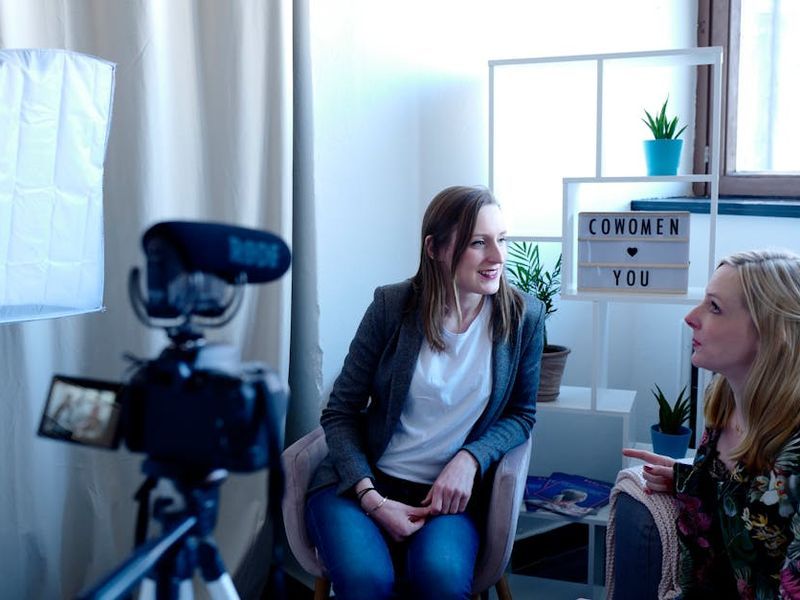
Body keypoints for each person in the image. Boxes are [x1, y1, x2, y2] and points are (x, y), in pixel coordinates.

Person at [305, 185, 545, 599]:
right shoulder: (392, 306)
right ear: (434, 248)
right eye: (478, 243)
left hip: (447, 499)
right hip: (361, 483)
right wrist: (371, 497)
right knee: (366, 581)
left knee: (441, 579)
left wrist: (470, 459)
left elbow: (522, 414)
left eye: (502, 240)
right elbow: (340, 411)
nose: (497, 257)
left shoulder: (524, 317)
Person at [623, 249, 800, 599]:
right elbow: (732, 517)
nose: (691, 317)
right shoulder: (724, 402)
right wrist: (690, 480)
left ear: (770, 332)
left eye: (715, 307)